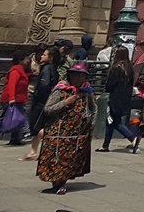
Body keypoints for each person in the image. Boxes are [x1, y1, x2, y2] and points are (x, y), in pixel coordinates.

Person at [36, 59, 95, 196]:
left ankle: (62, 182)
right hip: (58, 132)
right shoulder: (61, 89)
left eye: (82, 76)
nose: (79, 78)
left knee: (71, 159)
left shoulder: (87, 91)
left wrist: (90, 123)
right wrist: (65, 103)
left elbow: (93, 109)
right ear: (70, 75)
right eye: (76, 75)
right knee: (57, 158)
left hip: (77, 134)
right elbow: (48, 109)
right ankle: (57, 183)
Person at [0, 50, 31, 146]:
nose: (28, 61)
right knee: (6, 118)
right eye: (26, 59)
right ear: (20, 60)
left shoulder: (21, 70)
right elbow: (12, 85)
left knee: (17, 118)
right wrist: (12, 98)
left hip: (18, 99)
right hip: (11, 99)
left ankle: (15, 138)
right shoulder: (15, 70)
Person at [23, 46, 59, 160]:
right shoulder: (51, 68)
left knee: (36, 127)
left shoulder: (47, 69)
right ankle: (33, 151)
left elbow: (44, 85)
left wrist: (38, 96)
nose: (42, 56)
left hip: (41, 102)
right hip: (46, 101)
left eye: (45, 54)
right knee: (38, 127)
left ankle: (51, 146)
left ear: (51, 57)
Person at [98, 46, 137, 152]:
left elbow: (110, 85)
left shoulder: (116, 68)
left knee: (114, 122)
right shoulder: (129, 68)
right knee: (110, 121)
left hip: (115, 98)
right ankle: (105, 145)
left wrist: (107, 89)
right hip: (125, 99)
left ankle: (132, 138)